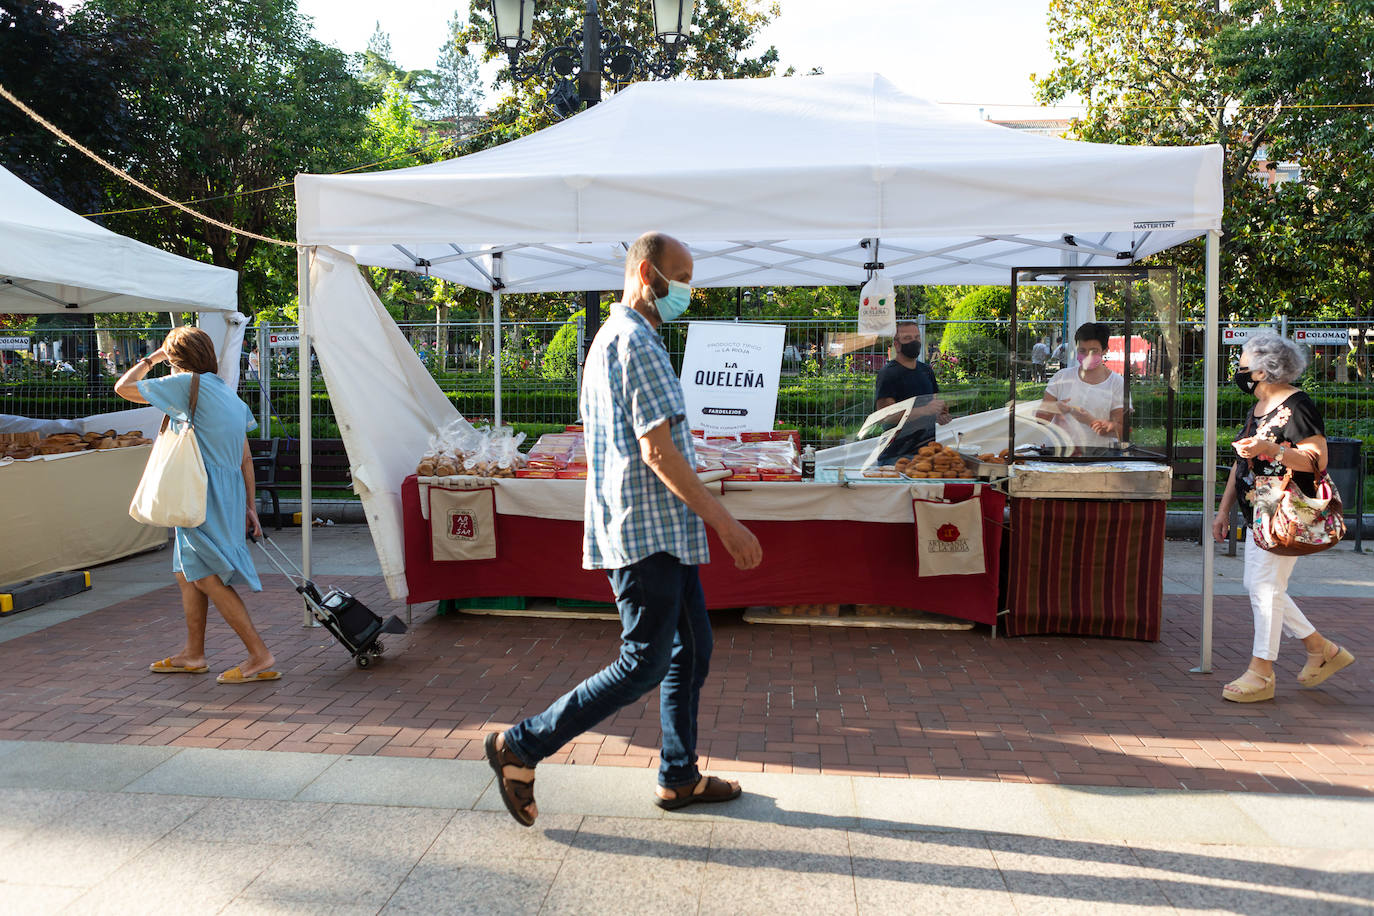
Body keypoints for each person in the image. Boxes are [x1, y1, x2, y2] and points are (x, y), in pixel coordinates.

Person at [484, 232, 763, 827]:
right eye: (681, 277)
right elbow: (658, 452)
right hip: (647, 534)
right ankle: (522, 745)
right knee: (643, 662)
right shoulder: (637, 342)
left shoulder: (617, 338)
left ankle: (679, 775)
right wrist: (728, 525)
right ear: (645, 273)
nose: (689, 290)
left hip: (654, 530)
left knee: (692, 651)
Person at [114, 327, 277, 685]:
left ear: (176, 359)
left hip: (198, 493)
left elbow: (123, 388)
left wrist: (150, 359)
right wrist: (250, 507)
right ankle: (193, 653)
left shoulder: (185, 384)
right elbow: (245, 459)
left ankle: (259, 654)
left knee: (207, 575)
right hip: (227, 494)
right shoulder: (230, 396)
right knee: (187, 572)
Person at [1213, 332, 1354, 703]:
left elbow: (1317, 459)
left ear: (1262, 370)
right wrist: (1223, 509)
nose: (1239, 370)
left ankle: (1262, 672)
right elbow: (1240, 462)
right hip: (1258, 509)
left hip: (1282, 508)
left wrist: (1270, 449)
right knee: (1262, 586)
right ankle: (1320, 649)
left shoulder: (1297, 404)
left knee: (1263, 587)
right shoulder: (1259, 407)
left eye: (1243, 363)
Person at [1035, 322, 1125, 451]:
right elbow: (1040, 418)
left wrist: (1091, 421)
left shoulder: (1116, 383)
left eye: (1094, 351)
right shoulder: (1061, 377)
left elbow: (1122, 431)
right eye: (1082, 351)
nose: (1087, 356)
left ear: (1105, 350)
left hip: (1099, 455)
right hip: (1059, 453)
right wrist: (1055, 408)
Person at [873, 321, 950, 460]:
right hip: (896, 455)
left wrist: (940, 414)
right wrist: (926, 410)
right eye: (908, 338)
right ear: (897, 344)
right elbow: (885, 416)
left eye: (917, 338)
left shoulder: (926, 371)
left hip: (926, 453)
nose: (914, 342)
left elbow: (935, 404)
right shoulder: (888, 374)